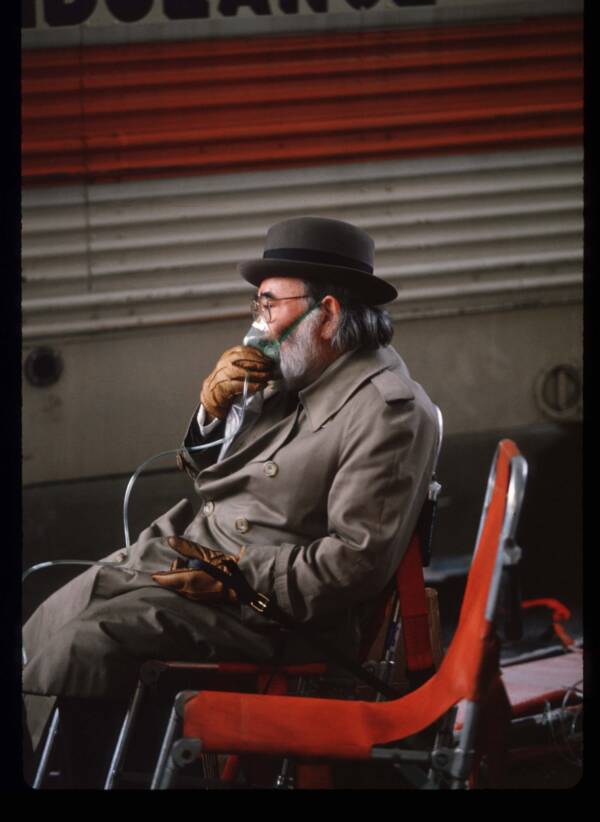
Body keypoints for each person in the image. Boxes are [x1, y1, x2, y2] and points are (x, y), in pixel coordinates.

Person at [23, 216, 439, 787]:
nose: (259, 324)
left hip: (268, 611)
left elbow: (355, 562)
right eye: (257, 305)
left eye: (270, 304)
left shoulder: (387, 412)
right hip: (197, 560)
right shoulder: (296, 373)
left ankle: (86, 774)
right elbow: (214, 477)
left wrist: (235, 577)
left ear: (328, 313)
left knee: (88, 642)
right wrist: (213, 413)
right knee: (55, 613)